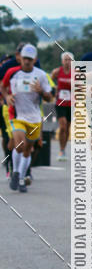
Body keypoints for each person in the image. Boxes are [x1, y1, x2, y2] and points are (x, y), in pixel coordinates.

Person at [0, 44, 53, 192]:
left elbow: (49, 97)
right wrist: (7, 97)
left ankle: (22, 178)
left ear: (35, 59)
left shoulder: (41, 75)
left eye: (30, 59)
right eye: (25, 59)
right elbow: (3, 87)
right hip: (17, 115)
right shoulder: (12, 73)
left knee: (27, 150)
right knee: (20, 144)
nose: (27, 61)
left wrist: (41, 91)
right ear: (20, 58)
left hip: (35, 117)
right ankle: (16, 173)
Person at [51, 51, 73, 160]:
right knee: (63, 126)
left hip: (71, 103)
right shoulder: (57, 71)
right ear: (62, 61)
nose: (68, 62)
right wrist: (54, 90)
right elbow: (49, 82)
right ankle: (61, 150)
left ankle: (63, 149)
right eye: (66, 59)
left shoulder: (76, 72)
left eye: (70, 60)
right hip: (60, 103)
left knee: (67, 127)